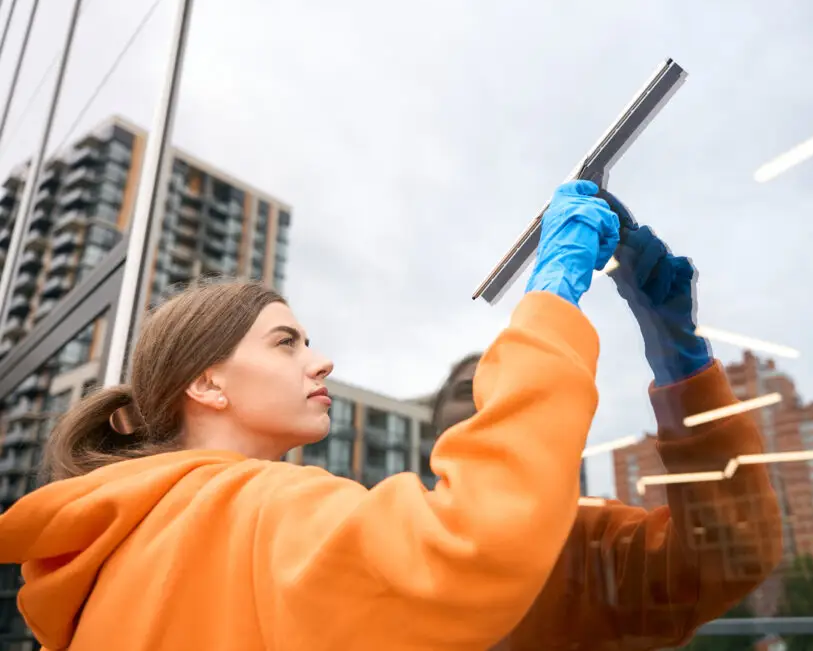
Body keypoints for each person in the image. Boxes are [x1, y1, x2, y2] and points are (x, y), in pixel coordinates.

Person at [0, 180, 621, 651]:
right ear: (208, 383)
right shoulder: (252, 508)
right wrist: (550, 306)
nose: (321, 362)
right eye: (285, 342)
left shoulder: (120, 541)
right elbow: (475, 545)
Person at [431, 223, 785, 650]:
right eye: (461, 389)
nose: (481, 392)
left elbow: (731, 556)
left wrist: (684, 371)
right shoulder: (385, 531)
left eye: (499, 382)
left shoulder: (587, 544)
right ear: (432, 431)